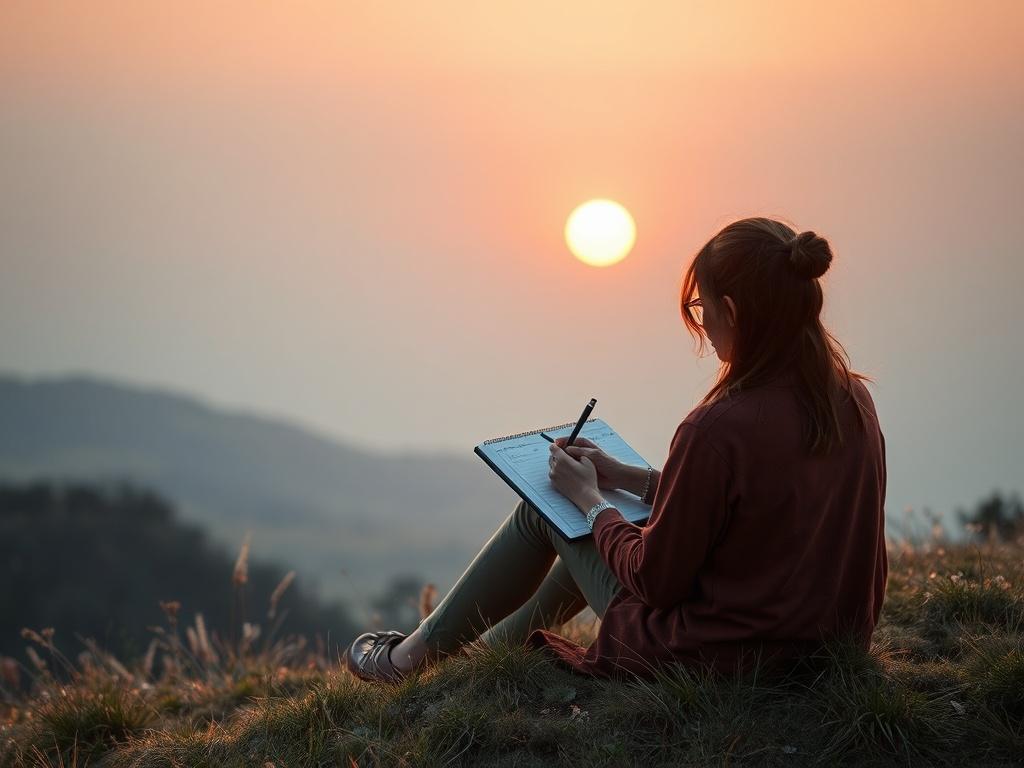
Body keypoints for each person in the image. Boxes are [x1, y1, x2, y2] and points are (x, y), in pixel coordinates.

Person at [345, 216, 888, 682]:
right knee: (588, 530)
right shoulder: (851, 399)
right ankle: (474, 662)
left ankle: (407, 659)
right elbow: (752, 506)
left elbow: (655, 578)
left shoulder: (718, 427)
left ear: (732, 310)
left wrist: (590, 500)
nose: (702, 327)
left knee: (546, 514)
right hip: (821, 653)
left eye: (700, 308)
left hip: (716, 659)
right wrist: (620, 476)